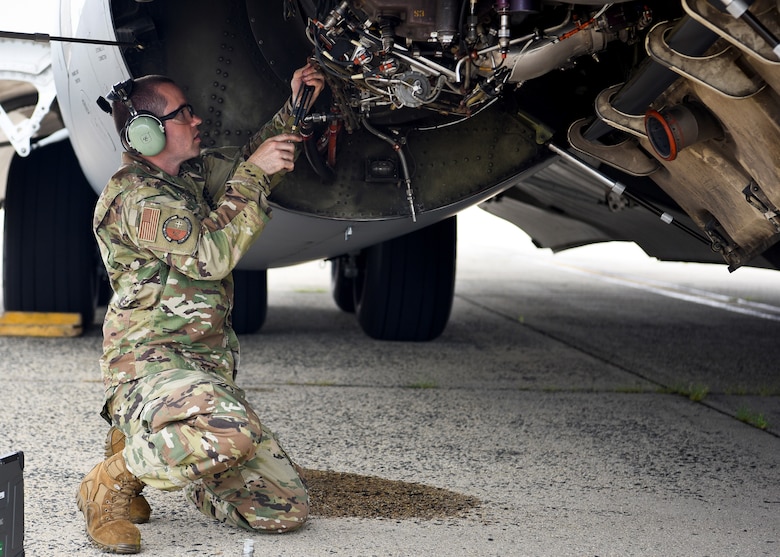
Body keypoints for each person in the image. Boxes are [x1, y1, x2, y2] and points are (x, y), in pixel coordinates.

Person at [77, 63, 325, 554]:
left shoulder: (187, 178)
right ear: (146, 133)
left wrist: (295, 106)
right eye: (183, 113)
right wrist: (255, 172)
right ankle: (108, 482)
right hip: (152, 365)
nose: (197, 121)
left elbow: (249, 168)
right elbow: (211, 255)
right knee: (233, 430)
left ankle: (161, 450)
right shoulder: (138, 198)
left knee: (282, 510)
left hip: (204, 369)